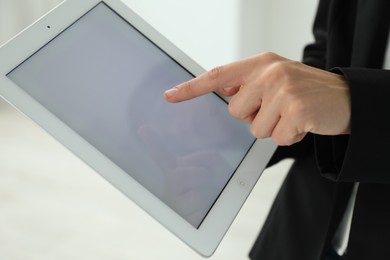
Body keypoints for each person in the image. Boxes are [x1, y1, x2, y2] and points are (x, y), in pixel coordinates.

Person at [163, 0, 390, 259]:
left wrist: (356, 102)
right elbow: (328, 54)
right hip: (303, 235)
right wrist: (235, 134)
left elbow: (338, 96)